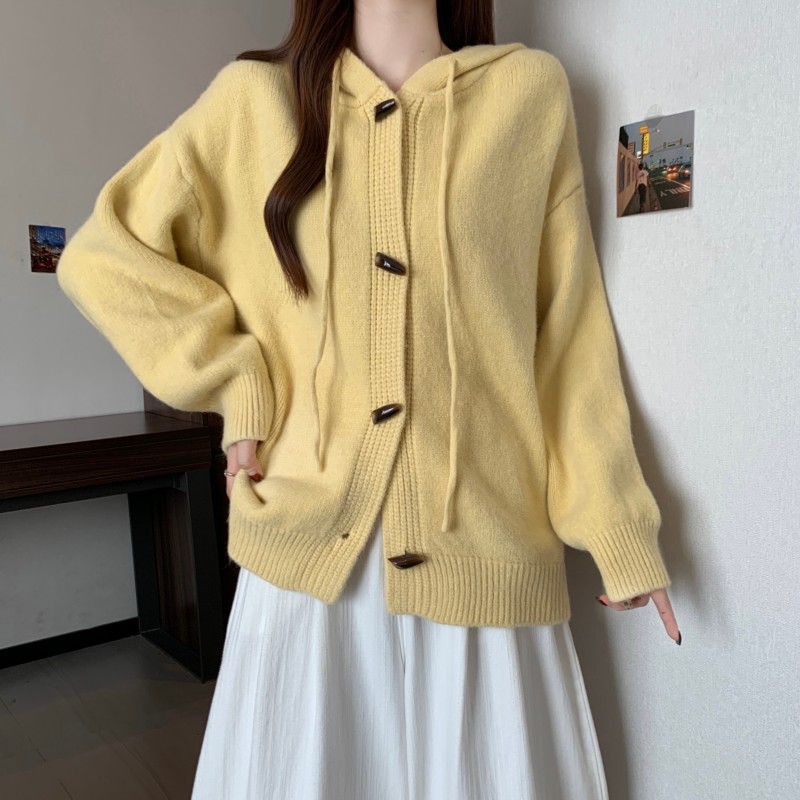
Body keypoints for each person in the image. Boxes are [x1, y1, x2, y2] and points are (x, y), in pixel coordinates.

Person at [55, 0, 681, 797]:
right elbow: (106, 257)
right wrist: (239, 383)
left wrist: (619, 528)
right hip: (310, 580)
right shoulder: (255, 101)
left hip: (485, 563)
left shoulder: (529, 94)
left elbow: (568, 340)